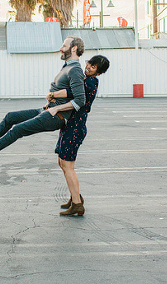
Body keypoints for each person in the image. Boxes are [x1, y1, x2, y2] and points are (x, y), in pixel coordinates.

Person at [0, 36, 86, 163]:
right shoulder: (67, 67)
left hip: (56, 116)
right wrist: (51, 97)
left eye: (64, 46)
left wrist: (57, 108)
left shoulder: (75, 70)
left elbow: (80, 100)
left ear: (74, 48)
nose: (61, 48)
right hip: (47, 109)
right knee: (10, 117)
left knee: (17, 130)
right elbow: (66, 91)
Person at [53, 54, 108, 217]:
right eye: (90, 63)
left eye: (93, 67)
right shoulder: (85, 79)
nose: (89, 67)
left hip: (75, 127)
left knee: (68, 166)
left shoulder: (91, 82)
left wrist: (53, 95)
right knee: (62, 162)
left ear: (98, 72)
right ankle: (75, 196)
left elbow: (71, 92)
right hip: (69, 125)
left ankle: (77, 204)